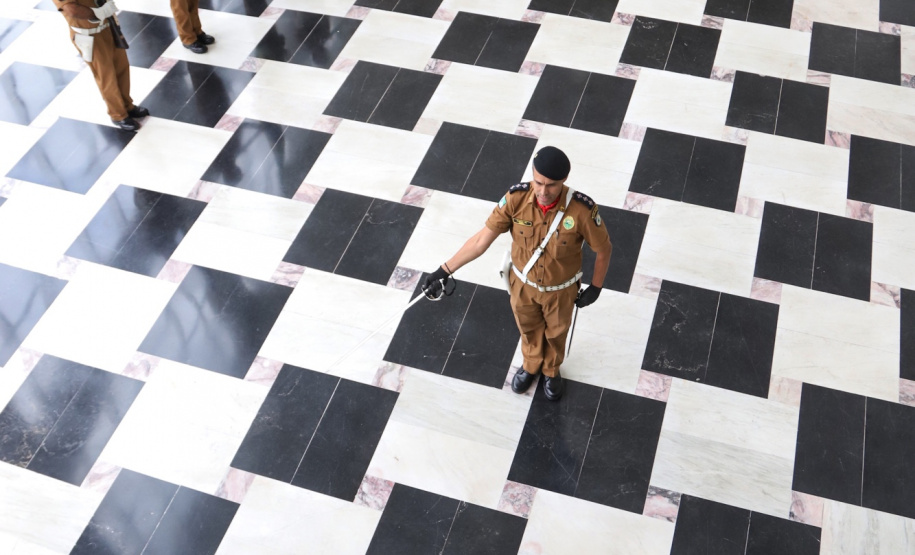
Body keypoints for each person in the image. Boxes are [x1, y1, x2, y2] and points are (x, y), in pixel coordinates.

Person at [423, 146, 612, 401]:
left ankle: (551, 370)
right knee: (528, 328)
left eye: (552, 185)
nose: (543, 191)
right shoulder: (516, 199)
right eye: (538, 182)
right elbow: (481, 241)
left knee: (557, 333)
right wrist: (444, 270)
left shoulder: (581, 210)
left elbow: (604, 249)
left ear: (564, 180)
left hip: (561, 291)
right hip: (523, 286)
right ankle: (532, 364)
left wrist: (596, 287)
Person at [53, 0, 150, 131]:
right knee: (106, 75)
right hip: (88, 35)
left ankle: (127, 106)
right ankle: (118, 114)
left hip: (107, 26)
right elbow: (71, 9)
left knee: (121, 68)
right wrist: (98, 13)